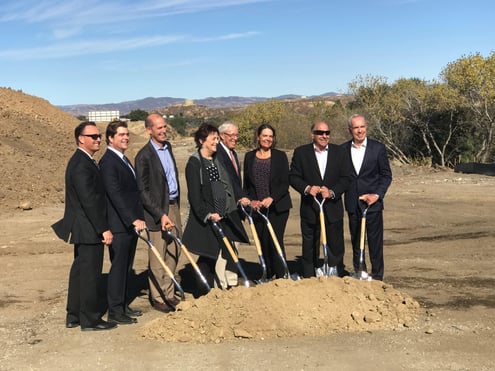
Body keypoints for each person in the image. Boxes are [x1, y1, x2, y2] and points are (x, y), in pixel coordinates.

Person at [51, 121, 116, 331]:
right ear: (81, 139)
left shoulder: (83, 161)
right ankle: (90, 319)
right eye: (94, 136)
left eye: (99, 136)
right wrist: (103, 228)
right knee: (90, 274)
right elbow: (90, 200)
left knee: (80, 271)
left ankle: (74, 315)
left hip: (84, 227)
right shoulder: (81, 164)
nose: (98, 139)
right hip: (88, 228)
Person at [182, 123, 249, 294]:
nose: (216, 142)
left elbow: (225, 184)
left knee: (223, 251)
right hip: (208, 216)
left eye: (217, 139)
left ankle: (219, 288)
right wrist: (208, 214)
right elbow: (195, 196)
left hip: (224, 213)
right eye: (213, 139)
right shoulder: (194, 163)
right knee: (208, 254)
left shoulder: (217, 159)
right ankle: (204, 292)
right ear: (201, 140)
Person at [289, 121, 352, 278]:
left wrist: (332, 192)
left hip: (332, 206)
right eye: (320, 132)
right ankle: (309, 275)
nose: (324, 136)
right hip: (310, 207)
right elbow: (293, 176)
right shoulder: (301, 153)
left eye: (327, 133)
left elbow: (346, 178)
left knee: (335, 242)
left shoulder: (340, 152)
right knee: (310, 243)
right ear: (312, 135)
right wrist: (307, 188)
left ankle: (335, 272)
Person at [99, 120, 146, 324]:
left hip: (128, 225)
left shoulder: (123, 159)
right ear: (110, 138)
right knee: (118, 268)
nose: (126, 138)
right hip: (119, 226)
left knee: (126, 267)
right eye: (121, 135)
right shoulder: (108, 162)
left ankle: (123, 305)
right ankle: (115, 311)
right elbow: (115, 195)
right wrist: (133, 219)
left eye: (127, 134)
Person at [134, 113, 181, 313]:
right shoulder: (143, 156)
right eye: (159, 128)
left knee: (174, 250)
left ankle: (169, 292)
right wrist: (160, 214)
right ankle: (159, 296)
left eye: (164, 127)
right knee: (158, 254)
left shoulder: (168, 147)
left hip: (173, 205)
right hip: (157, 211)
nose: (163, 131)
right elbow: (142, 191)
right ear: (149, 130)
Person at [342, 114, 392, 280]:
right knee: (357, 241)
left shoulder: (377, 148)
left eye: (362, 127)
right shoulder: (342, 150)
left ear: (366, 127)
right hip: (352, 203)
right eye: (356, 128)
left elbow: (386, 175)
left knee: (375, 243)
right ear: (350, 130)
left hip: (373, 204)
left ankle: (377, 277)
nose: (360, 130)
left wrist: (377, 195)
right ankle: (360, 273)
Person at [243, 124, 292, 279]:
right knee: (262, 241)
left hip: (278, 206)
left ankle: (281, 274)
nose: (268, 139)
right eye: (264, 135)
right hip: (258, 208)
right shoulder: (249, 157)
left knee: (275, 240)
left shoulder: (280, 156)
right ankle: (268, 274)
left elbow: (285, 182)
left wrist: (272, 198)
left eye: (270, 136)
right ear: (258, 137)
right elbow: (247, 185)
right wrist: (252, 201)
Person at [216, 121, 250, 287]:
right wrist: (237, 197)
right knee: (224, 246)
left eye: (237, 135)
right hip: (225, 207)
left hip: (236, 207)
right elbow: (223, 182)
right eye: (232, 135)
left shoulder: (232, 153)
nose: (235, 138)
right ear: (222, 136)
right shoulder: (218, 154)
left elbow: (236, 180)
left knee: (234, 244)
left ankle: (231, 280)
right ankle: (221, 284)